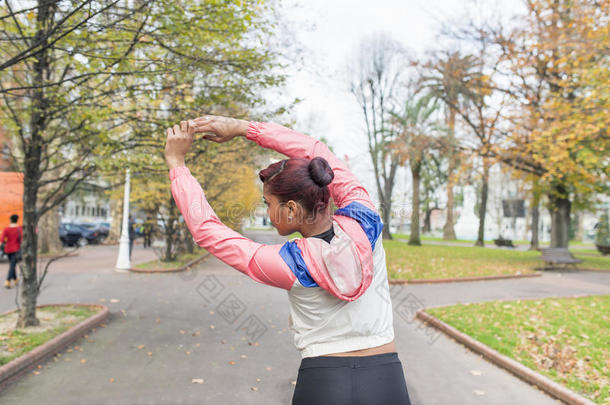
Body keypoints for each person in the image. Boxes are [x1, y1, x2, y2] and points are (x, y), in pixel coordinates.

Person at [165, 116, 412, 405]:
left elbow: (208, 231)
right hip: (387, 381)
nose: (267, 213)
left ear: (292, 208)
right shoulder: (366, 218)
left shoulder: (288, 264)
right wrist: (243, 128)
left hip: (323, 384)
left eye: (268, 204)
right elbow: (314, 149)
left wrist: (177, 164)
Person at [1, 214, 22, 289]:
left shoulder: (6, 229)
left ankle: (15, 280)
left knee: (12, 264)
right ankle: (7, 280)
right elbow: (21, 239)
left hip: (8, 249)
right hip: (16, 249)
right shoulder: (19, 229)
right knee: (12, 265)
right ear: (17, 220)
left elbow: (2, 240)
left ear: (10, 220)